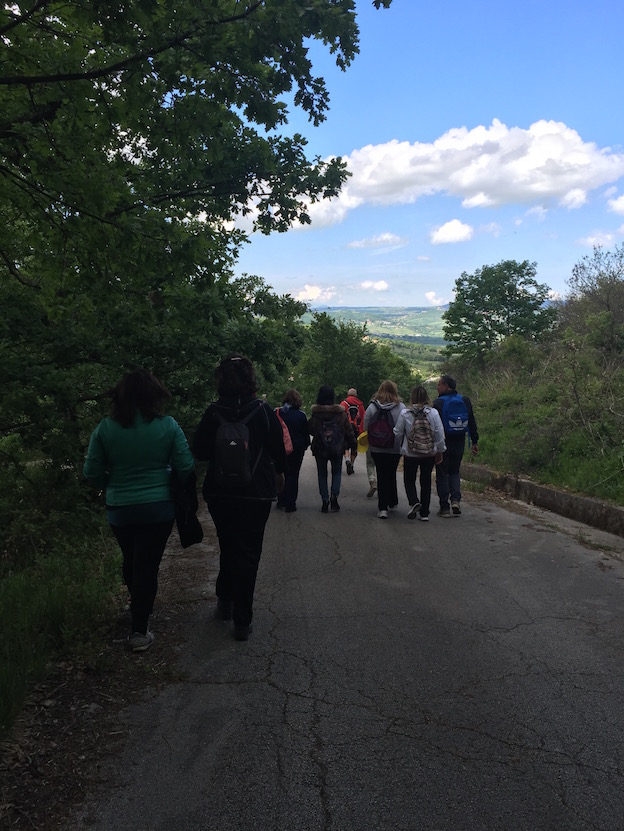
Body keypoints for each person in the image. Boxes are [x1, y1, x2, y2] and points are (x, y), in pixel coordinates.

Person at [83, 368, 195, 653]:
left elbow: (91, 472)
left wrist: (112, 485)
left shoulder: (105, 428)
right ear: (154, 395)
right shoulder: (168, 426)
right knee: (147, 564)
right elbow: (185, 466)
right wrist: (171, 484)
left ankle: (138, 606)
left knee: (131, 558)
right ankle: (139, 630)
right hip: (158, 508)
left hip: (120, 508)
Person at [192, 355, 285, 641]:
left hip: (220, 492)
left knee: (227, 544)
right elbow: (279, 450)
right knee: (249, 552)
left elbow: (200, 451)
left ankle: (225, 600)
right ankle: (242, 621)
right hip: (256, 494)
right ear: (250, 379)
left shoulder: (212, 412)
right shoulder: (263, 411)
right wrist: (278, 476)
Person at [393, 385, 446, 521]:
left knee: (409, 479)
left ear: (412, 397)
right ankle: (424, 513)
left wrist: (401, 445)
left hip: (411, 453)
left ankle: (414, 501)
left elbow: (397, 432)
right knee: (426, 480)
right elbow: (439, 433)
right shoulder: (433, 413)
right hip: (429, 452)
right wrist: (440, 450)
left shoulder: (405, 413)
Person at [432, 374, 479, 517]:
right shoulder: (465, 400)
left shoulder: (438, 403)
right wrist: (475, 441)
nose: (437, 387)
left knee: (442, 473)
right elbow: (471, 421)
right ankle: (455, 500)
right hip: (459, 441)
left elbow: (435, 426)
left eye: (439, 384)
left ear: (446, 386)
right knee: (454, 471)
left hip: (443, 442)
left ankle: (444, 507)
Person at [308, 385, 356, 513]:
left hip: (320, 448)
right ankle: (334, 497)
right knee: (337, 473)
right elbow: (349, 432)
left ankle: (325, 500)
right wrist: (354, 446)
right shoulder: (341, 413)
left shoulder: (316, 414)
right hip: (337, 448)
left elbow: (310, 430)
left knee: (322, 474)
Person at [363, 380, 405, 519]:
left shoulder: (372, 407)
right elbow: (404, 427)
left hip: (376, 447)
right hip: (394, 447)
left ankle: (383, 508)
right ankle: (392, 501)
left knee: (381, 475)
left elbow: (365, 427)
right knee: (391, 473)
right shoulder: (401, 407)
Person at [275, 388, 310, 513]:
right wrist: (305, 445)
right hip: (296, 449)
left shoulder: (277, 413)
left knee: (281, 473)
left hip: (279, 449)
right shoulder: (301, 415)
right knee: (293, 475)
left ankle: (281, 499)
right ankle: (290, 503)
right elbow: (305, 434)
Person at [340, 387, 366, 475]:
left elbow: (340, 417)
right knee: (354, 448)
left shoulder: (344, 403)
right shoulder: (360, 405)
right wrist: (362, 430)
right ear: (356, 395)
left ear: (348, 394)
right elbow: (363, 418)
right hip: (356, 429)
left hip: (346, 428)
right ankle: (351, 464)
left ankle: (347, 460)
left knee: (346, 446)